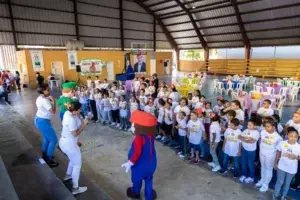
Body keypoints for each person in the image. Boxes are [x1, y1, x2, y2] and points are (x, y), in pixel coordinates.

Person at [121, 110, 158, 200]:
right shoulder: (151, 134)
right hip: (151, 163)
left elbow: (137, 152)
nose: (132, 127)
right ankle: (149, 196)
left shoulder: (139, 138)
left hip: (140, 166)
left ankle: (135, 192)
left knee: (136, 180)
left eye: (134, 124)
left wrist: (130, 162)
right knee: (149, 180)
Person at [59, 101, 88, 195]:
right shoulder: (70, 118)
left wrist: (76, 141)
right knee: (77, 164)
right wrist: (84, 124)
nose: (81, 110)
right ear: (74, 110)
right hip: (69, 144)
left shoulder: (68, 113)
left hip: (66, 142)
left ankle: (68, 175)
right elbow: (75, 133)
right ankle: (75, 188)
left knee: (73, 159)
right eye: (79, 109)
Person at [34, 83, 59, 168]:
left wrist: (49, 100)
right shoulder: (44, 100)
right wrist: (54, 102)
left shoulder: (41, 98)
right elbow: (53, 112)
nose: (49, 91)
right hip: (42, 121)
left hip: (40, 120)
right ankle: (48, 161)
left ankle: (45, 156)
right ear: (42, 91)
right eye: (47, 90)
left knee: (47, 139)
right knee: (53, 140)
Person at [256, 117, 282, 193]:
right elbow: (260, 142)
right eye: (265, 126)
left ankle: (265, 184)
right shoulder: (263, 132)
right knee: (263, 167)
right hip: (262, 153)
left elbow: (278, 150)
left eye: (268, 126)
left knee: (268, 169)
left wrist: (276, 161)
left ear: (274, 127)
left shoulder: (278, 137)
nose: (266, 128)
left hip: (270, 155)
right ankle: (262, 180)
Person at [273, 127, 300, 199]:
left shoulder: (298, 147)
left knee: (287, 183)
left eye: (295, 137)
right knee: (279, 182)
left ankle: (283, 196)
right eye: (291, 136)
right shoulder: (282, 143)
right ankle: (275, 195)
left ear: (298, 137)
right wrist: (275, 162)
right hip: (281, 167)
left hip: (292, 169)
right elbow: (278, 152)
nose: (293, 138)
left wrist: (295, 157)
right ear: (287, 135)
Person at [238, 119, 260, 184]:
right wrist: (247, 139)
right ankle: (244, 174)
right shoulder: (245, 130)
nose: (248, 126)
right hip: (244, 149)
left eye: (250, 125)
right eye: (248, 124)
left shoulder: (256, 133)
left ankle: (251, 177)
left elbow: (252, 141)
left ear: (255, 126)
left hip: (251, 151)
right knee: (244, 162)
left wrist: (244, 139)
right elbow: (239, 136)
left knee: (250, 164)